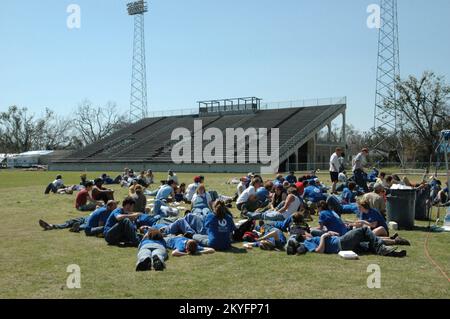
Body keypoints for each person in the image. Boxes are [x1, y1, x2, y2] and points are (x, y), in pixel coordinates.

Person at [297, 227, 407, 257]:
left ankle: (392, 252)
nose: (308, 233)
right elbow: (319, 251)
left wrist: (329, 233)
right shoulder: (307, 242)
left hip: (343, 242)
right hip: (341, 244)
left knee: (369, 245)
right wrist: (323, 237)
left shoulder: (311, 238)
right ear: (303, 235)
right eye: (305, 232)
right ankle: (382, 249)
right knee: (364, 230)